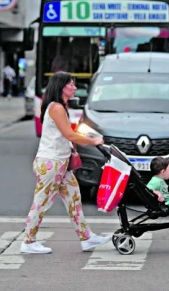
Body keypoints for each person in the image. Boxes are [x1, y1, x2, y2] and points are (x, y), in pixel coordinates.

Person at [21, 72, 111, 254]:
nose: (75, 88)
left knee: (74, 199)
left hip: (61, 164)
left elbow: (66, 136)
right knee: (41, 202)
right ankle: (28, 241)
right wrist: (93, 141)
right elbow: (69, 134)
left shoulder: (61, 106)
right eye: (71, 84)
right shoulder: (56, 108)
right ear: (62, 87)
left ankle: (86, 238)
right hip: (51, 163)